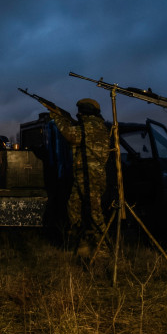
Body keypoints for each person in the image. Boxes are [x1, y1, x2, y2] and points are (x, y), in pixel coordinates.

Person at [48, 98, 111, 258]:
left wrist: (57, 116)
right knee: (74, 206)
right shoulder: (98, 125)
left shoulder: (89, 126)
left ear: (83, 112)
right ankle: (82, 242)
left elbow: (70, 136)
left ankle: (103, 248)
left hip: (90, 176)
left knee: (94, 212)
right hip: (85, 175)